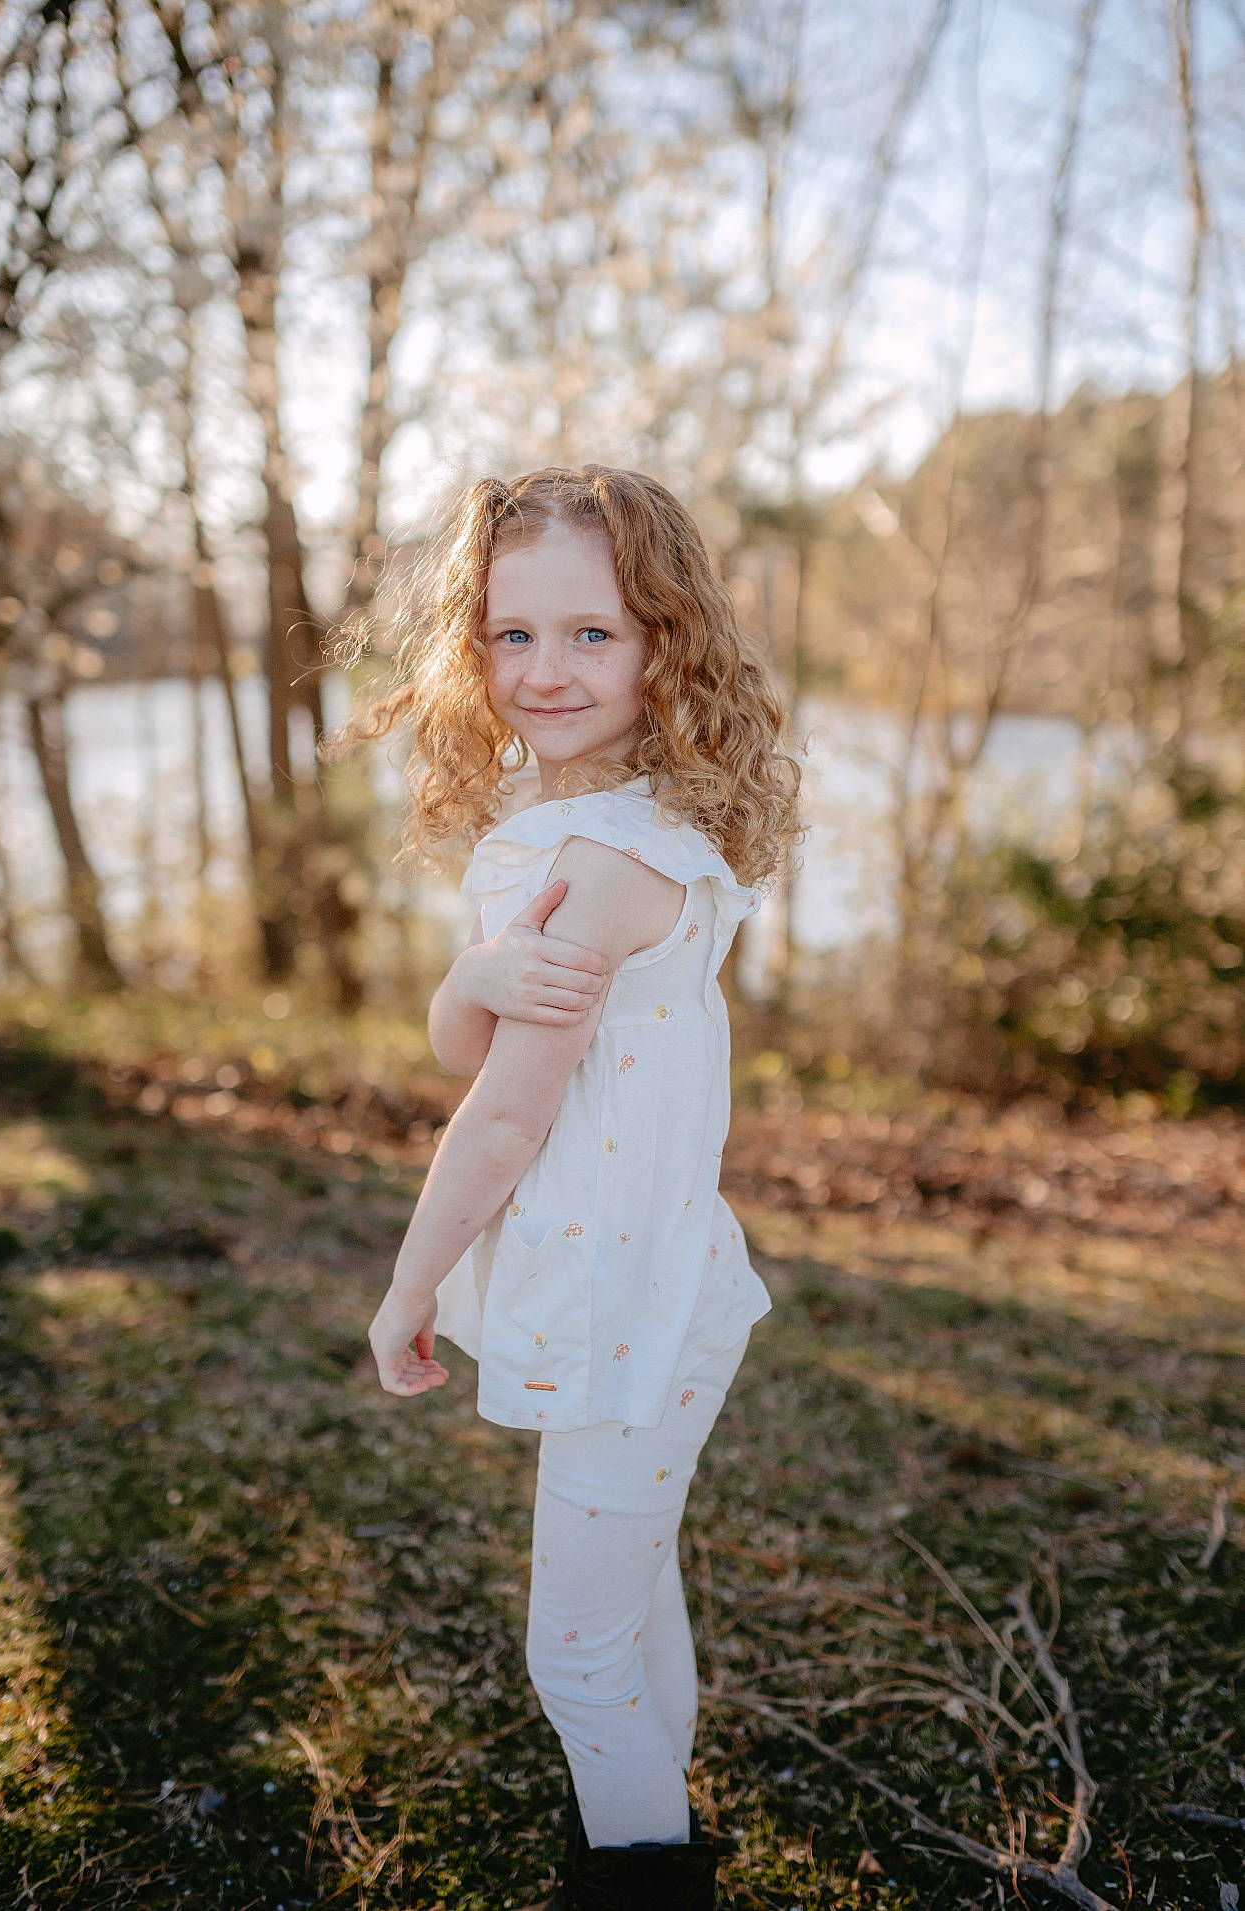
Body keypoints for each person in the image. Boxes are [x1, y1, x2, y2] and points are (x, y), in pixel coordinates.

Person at [342, 464, 802, 1910]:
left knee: (576, 1652)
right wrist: (465, 980)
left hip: (622, 1315)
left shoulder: (594, 861)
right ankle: (652, 1817)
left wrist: (408, 1290)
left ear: (667, 639)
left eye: (594, 633)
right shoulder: (628, 823)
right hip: (665, 1283)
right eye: (512, 633)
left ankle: (642, 1873)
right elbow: (479, 1030)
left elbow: (499, 1118)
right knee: (631, 1590)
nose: (546, 671)